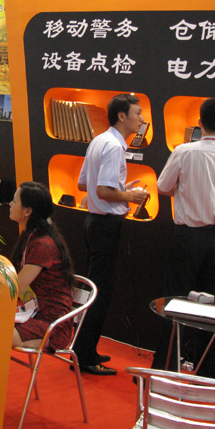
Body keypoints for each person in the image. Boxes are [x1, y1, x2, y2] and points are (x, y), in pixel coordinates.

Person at [152, 97, 215, 378]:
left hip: (188, 236)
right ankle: (208, 375)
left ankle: (165, 370)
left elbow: (163, 186)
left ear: (199, 123)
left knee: (175, 303)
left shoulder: (184, 152)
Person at [73, 93, 150, 375]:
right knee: (100, 292)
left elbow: (84, 184)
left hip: (94, 222)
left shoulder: (99, 140)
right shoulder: (115, 146)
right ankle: (84, 356)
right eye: (137, 113)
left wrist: (121, 189)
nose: (141, 119)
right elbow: (102, 190)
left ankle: (85, 349)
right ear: (122, 115)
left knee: (95, 289)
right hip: (105, 225)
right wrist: (130, 195)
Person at [9, 182, 75, 349]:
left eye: (14, 201)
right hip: (32, 313)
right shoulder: (31, 236)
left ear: (27, 211)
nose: (10, 204)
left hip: (52, 324)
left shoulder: (43, 244)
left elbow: (16, 288)